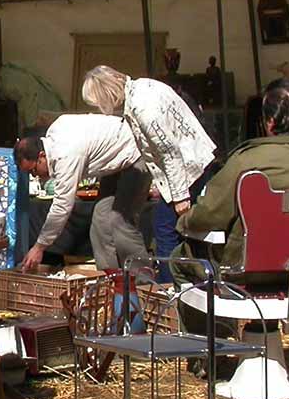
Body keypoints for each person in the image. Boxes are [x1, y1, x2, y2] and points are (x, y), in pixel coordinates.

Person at [178, 79, 289, 278]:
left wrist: (184, 220)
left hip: (242, 271)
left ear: (270, 121)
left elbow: (210, 213)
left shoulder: (246, 161)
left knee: (179, 260)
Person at [81, 65, 216, 275]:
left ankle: (168, 285)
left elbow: (169, 151)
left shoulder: (143, 108)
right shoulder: (143, 87)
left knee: (165, 229)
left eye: (98, 102)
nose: (100, 108)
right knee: (170, 226)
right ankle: (178, 281)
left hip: (189, 167)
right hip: (192, 160)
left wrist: (180, 195)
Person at [15, 114, 149, 272]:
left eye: (34, 170)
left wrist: (39, 247)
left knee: (119, 221)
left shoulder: (65, 154)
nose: (35, 176)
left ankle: (143, 282)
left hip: (136, 153)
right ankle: (110, 281)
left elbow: (62, 207)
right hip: (114, 161)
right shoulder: (53, 135)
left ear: (42, 156)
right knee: (100, 223)